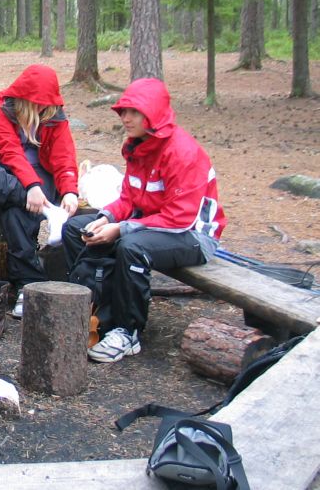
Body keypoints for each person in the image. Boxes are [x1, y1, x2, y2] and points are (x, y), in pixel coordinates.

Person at [62, 77, 226, 364]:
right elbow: (128, 199)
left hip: (194, 235)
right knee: (77, 228)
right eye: (123, 111)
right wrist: (105, 217)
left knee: (131, 247)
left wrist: (120, 228)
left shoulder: (183, 153)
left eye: (134, 112)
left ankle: (128, 332)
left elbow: (180, 217)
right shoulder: (138, 147)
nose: (125, 118)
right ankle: (95, 311)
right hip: (153, 223)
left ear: (154, 114)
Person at [0, 65, 80, 318]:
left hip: (36, 179)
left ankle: (27, 283)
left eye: (46, 105)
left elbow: (64, 156)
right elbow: (8, 150)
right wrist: (31, 188)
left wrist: (69, 191)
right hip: (2, 173)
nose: (42, 109)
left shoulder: (54, 115)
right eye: (38, 104)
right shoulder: (0, 107)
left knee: (15, 211)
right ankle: (49, 211)